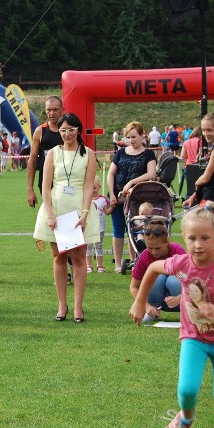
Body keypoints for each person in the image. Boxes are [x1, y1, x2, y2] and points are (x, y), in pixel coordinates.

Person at [130, 202, 214, 428]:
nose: (198, 245)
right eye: (192, 238)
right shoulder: (181, 263)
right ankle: (185, 418)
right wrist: (140, 301)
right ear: (183, 238)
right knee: (187, 389)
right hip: (193, 339)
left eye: (205, 238)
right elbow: (151, 268)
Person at [33, 113, 99, 322]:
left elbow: (89, 186)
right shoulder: (52, 153)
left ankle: (78, 306)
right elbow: (45, 184)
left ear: (78, 130)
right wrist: (50, 214)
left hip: (79, 210)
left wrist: (86, 213)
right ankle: (62, 305)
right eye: (63, 130)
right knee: (59, 256)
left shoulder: (88, 153)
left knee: (79, 257)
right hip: (57, 209)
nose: (67, 134)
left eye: (71, 129)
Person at [107, 121, 157, 272]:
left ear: (142, 135)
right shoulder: (121, 152)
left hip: (137, 198)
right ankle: (117, 264)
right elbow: (111, 173)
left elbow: (151, 174)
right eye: (128, 137)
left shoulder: (148, 153)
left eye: (134, 136)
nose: (131, 140)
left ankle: (135, 260)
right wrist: (111, 193)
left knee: (134, 229)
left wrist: (131, 183)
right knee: (118, 229)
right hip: (119, 196)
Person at [129, 217, 186, 324]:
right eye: (150, 248)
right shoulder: (145, 256)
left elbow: (195, 282)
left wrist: (181, 298)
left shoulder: (178, 252)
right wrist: (146, 306)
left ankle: (186, 312)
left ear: (167, 242)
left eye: (158, 248)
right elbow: (133, 287)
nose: (154, 252)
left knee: (173, 280)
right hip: (156, 300)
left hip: (181, 298)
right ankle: (152, 313)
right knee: (157, 277)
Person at [27, 96, 64, 207]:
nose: (52, 113)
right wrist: (30, 189)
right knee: (51, 214)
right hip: (46, 181)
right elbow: (32, 160)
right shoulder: (40, 131)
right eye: (49, 110)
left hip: (67, 180)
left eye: (55, 109)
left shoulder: (69, 131)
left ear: (63, 109)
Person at [86, 176, 112, 273]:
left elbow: (107, 212)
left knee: (99, 246)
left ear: (99, 187)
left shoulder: (103, 199)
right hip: (89, 228)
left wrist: (112, 206)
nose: (93, 190)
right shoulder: (86, 199)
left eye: (95, 188)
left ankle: (100, 265)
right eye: (91, 187)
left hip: (100, 228)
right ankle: (88, 266)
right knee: (88, 247)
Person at [178, 131, 202, 198]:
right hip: (198, 167)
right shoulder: (201, 141)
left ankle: (187, 206)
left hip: (188, 167)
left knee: (190, 189)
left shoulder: (186, 142)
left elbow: (182, 155)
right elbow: (200, 153)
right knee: (199, 188)